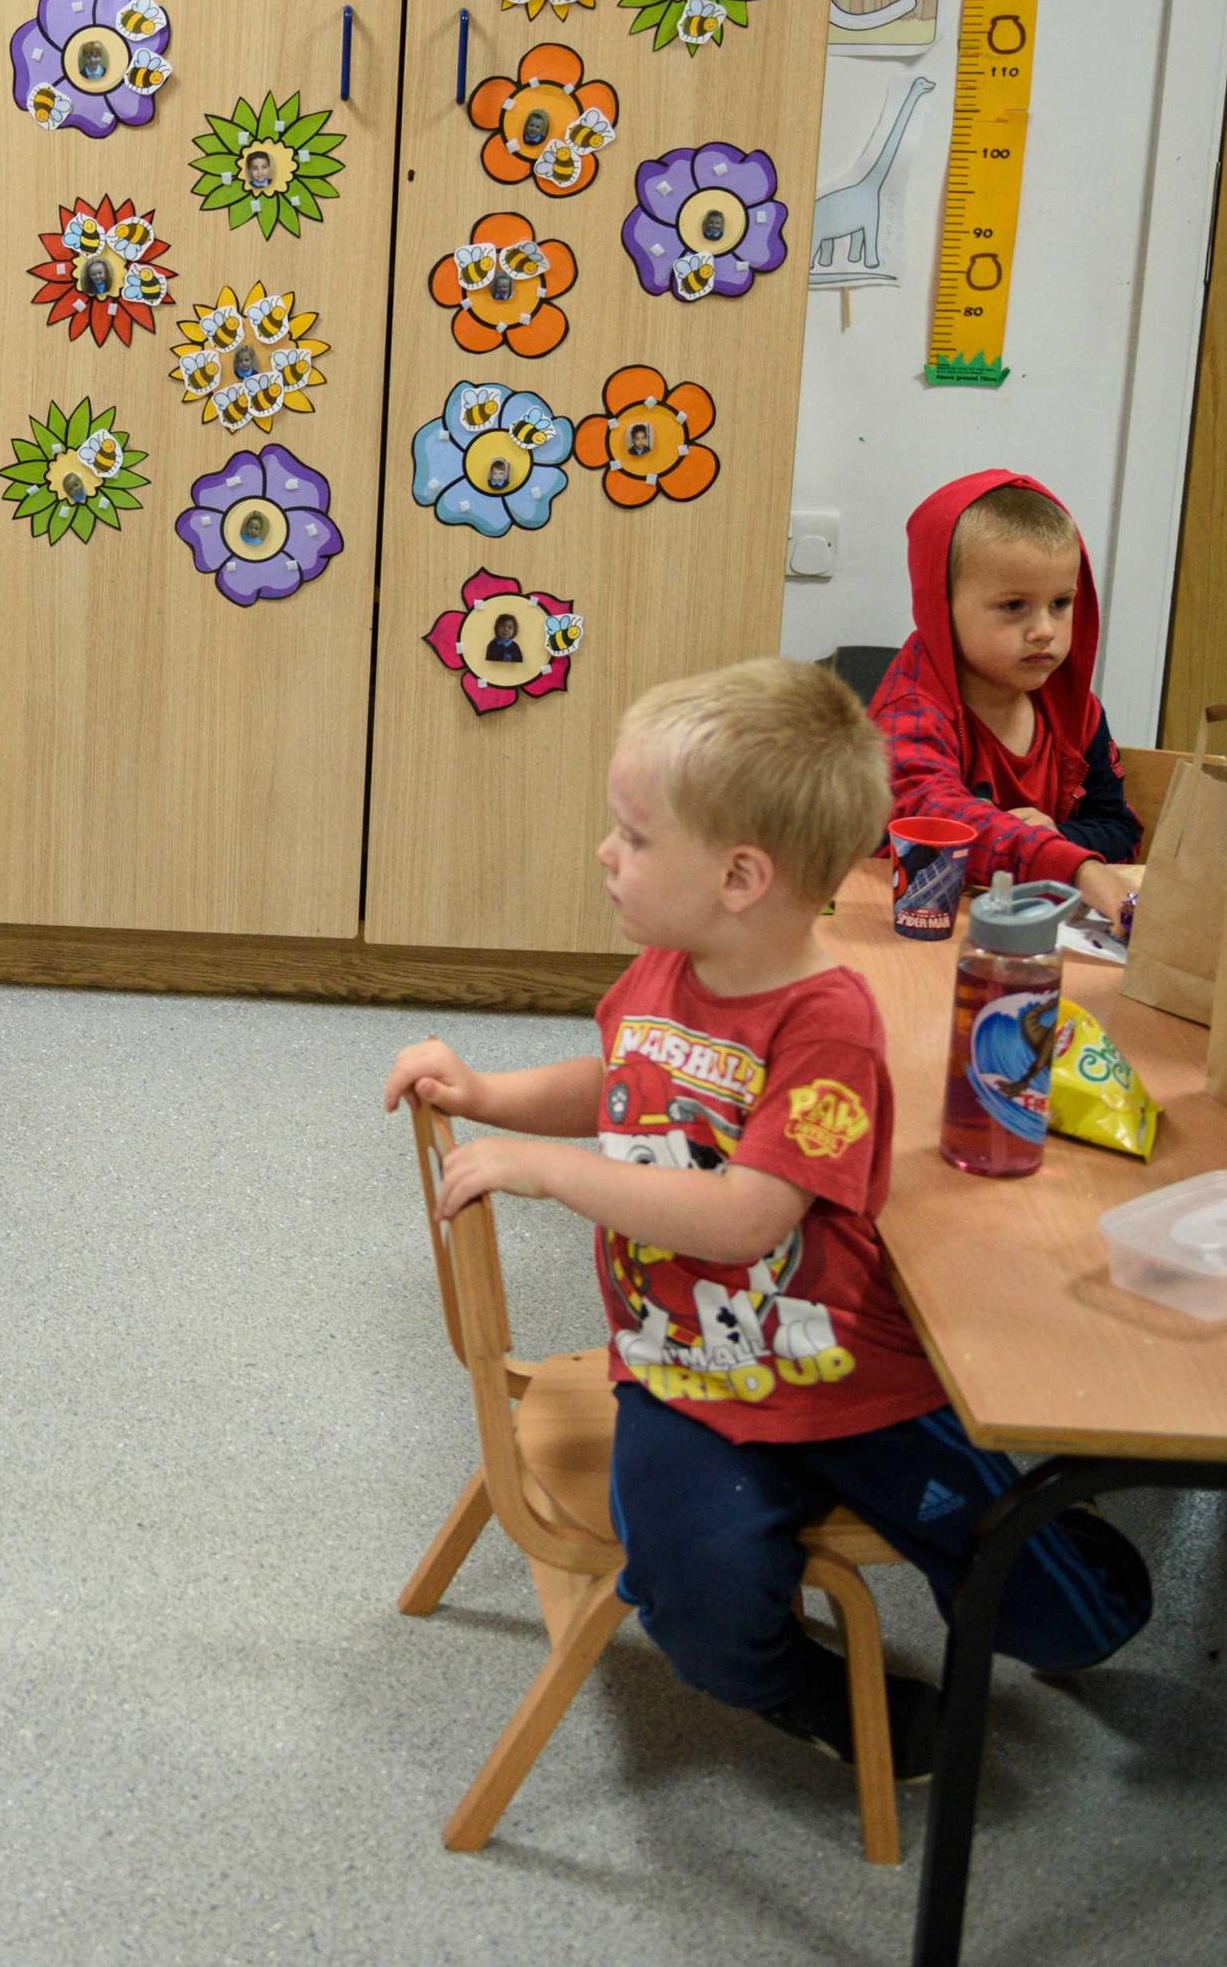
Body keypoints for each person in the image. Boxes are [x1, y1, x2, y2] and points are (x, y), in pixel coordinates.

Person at [386, 658, 1148, 1777]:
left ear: (741, 875)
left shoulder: (827, 1023)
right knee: (693, 1604)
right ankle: (823, 1695)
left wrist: (545, 1173)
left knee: (1058, 1615)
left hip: (850, 1383)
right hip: (681, 1375)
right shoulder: (669, 963)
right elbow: (621, 1076)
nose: (608, 851)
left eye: (635, 837)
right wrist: (491, 1095)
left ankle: (1072, 1556)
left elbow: (746, 1218)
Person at [870, 471, 1144, 916]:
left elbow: (1120, 830)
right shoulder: (909, 712)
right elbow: (937, 820)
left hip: (1026, 936)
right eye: (1014, 606)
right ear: (941, 607)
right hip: (911, 935)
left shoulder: (1078, 713)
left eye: (1061, 603)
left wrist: (1058, 840)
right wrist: (1072, 867)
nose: (1044, 631)